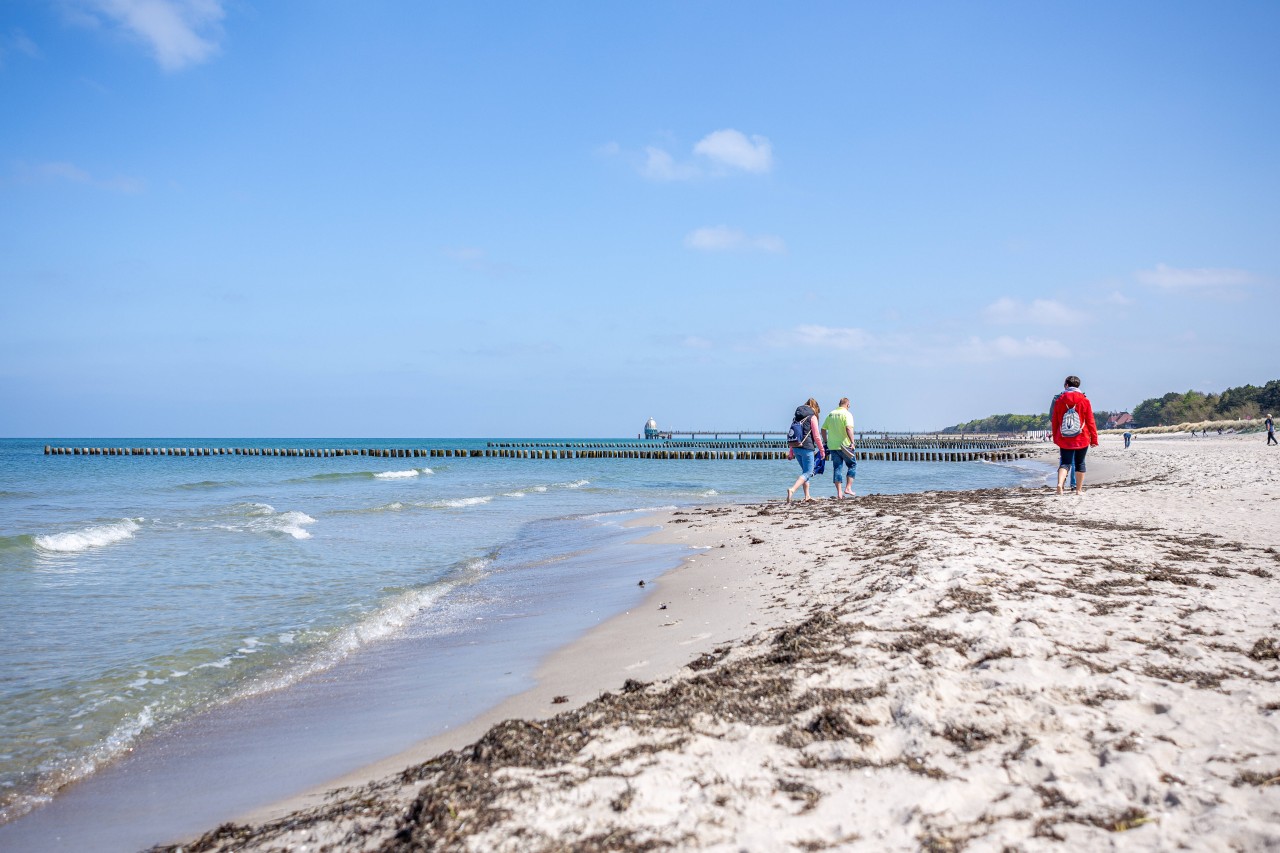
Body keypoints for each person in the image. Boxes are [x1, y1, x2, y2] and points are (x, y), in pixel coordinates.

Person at [1050, 375, 1099, 495]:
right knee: (1080, 463)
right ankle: (1078, 490)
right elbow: (1090, 420)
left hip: (1064, 437)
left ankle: (1060, 485)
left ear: (1066, 385)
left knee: (1065, 463)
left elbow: (1055, 420)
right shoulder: (1084, 400)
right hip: (1082, 436)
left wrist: (1055, 436)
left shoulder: (1059, 400)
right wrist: (1094, 439)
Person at [786, 399, 825, 502]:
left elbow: (793, 434)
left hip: (796, 447)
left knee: (805, 472)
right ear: (815, 408)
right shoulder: (812, 417)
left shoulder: (797, 417)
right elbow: (817, 436)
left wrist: (791, 452)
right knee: (808, 472)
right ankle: (792, 489)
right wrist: (822, 450)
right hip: (807, 448)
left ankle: (807, 496)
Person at [821, 396, 857, 499]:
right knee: (852, 464)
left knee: (837, 468)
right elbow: (848, 428)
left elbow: (823, 429)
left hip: (832, 446)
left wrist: (826, 441)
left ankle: (839, 493)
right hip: (845, 445)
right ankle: (848, 488)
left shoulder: (831, 414)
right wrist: (852, 442)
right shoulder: (847, 414)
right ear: (847, 404)